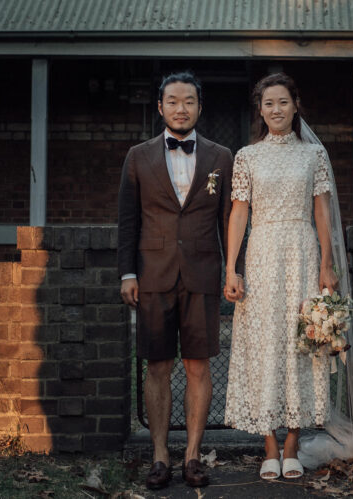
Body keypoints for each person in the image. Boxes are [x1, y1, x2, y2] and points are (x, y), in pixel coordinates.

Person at [223, 72, 353, 481]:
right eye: (268, 103)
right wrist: (232, 266)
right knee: (265, 343)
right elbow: (239, 213)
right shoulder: (247, 156)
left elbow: (322, 211)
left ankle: (292, 444)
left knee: (301, 345)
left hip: (303, 252)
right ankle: (268, 445)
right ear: (260, 109)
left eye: (282, 102)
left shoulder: (312, 156)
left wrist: (326, 263)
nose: (275, 110)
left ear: (295, 105)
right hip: (263, 253)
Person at [118, 71, 234, 490]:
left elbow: (228, 221)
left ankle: (192, 456)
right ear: (161, 106)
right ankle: (160, 456)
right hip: (152, 275)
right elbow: (128, 221)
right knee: (158, 366)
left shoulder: (222, 157)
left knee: (199, 365)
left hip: (202, 274)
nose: (181, 108)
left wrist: (233, 269)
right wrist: (127, 273)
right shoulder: (138, 156)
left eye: (189, 101)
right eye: (173, 101)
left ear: (200, 107)